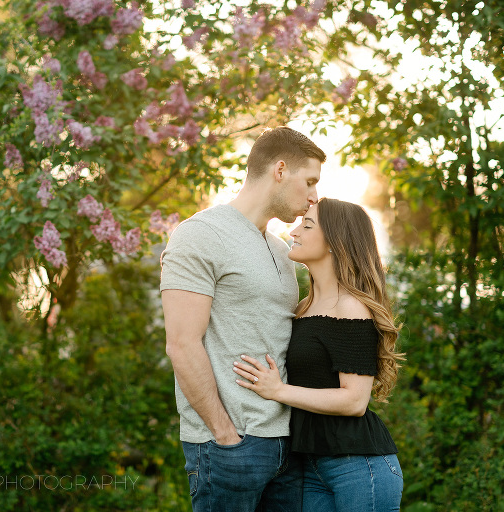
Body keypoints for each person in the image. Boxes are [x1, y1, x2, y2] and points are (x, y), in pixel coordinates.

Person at [160, 126, 326, 511]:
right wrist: (224, 434)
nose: (315, 196)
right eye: (310, 181)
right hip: (232, 446)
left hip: (288, 446)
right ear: (280, 170)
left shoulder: (283, 250)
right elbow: (182, 344)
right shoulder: (200, 235)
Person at [233, 198, 406, 511]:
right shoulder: (304, 307)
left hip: (358, 466)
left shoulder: (350, 308)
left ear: (334, 242)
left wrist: (278, 391)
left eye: (307, 225)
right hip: (310, 466)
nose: (295, 230)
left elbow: (354, 401)